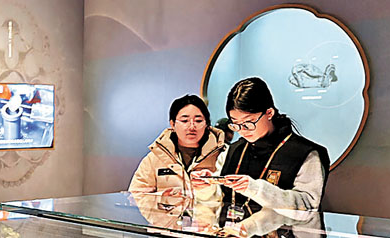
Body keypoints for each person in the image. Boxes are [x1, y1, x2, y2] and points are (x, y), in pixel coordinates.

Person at [217, 76, 329, 225]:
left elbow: (308, 207)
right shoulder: (235, 149)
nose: (242, 130)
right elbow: (219, 199)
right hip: (234, 236)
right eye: (235, 124)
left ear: (269, 113)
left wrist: (256, 189)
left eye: (248, 122)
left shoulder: (305, 153)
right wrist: (206, 185)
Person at [128, 93, 226, 200]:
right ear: (172, 124)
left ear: (206, 124)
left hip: (208, 211)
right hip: (165, 211)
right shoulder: (155, 158)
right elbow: (134, 196)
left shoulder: (223, 155)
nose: (191, 127)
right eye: (184, 121)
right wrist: (162, 198)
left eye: (198, 121)